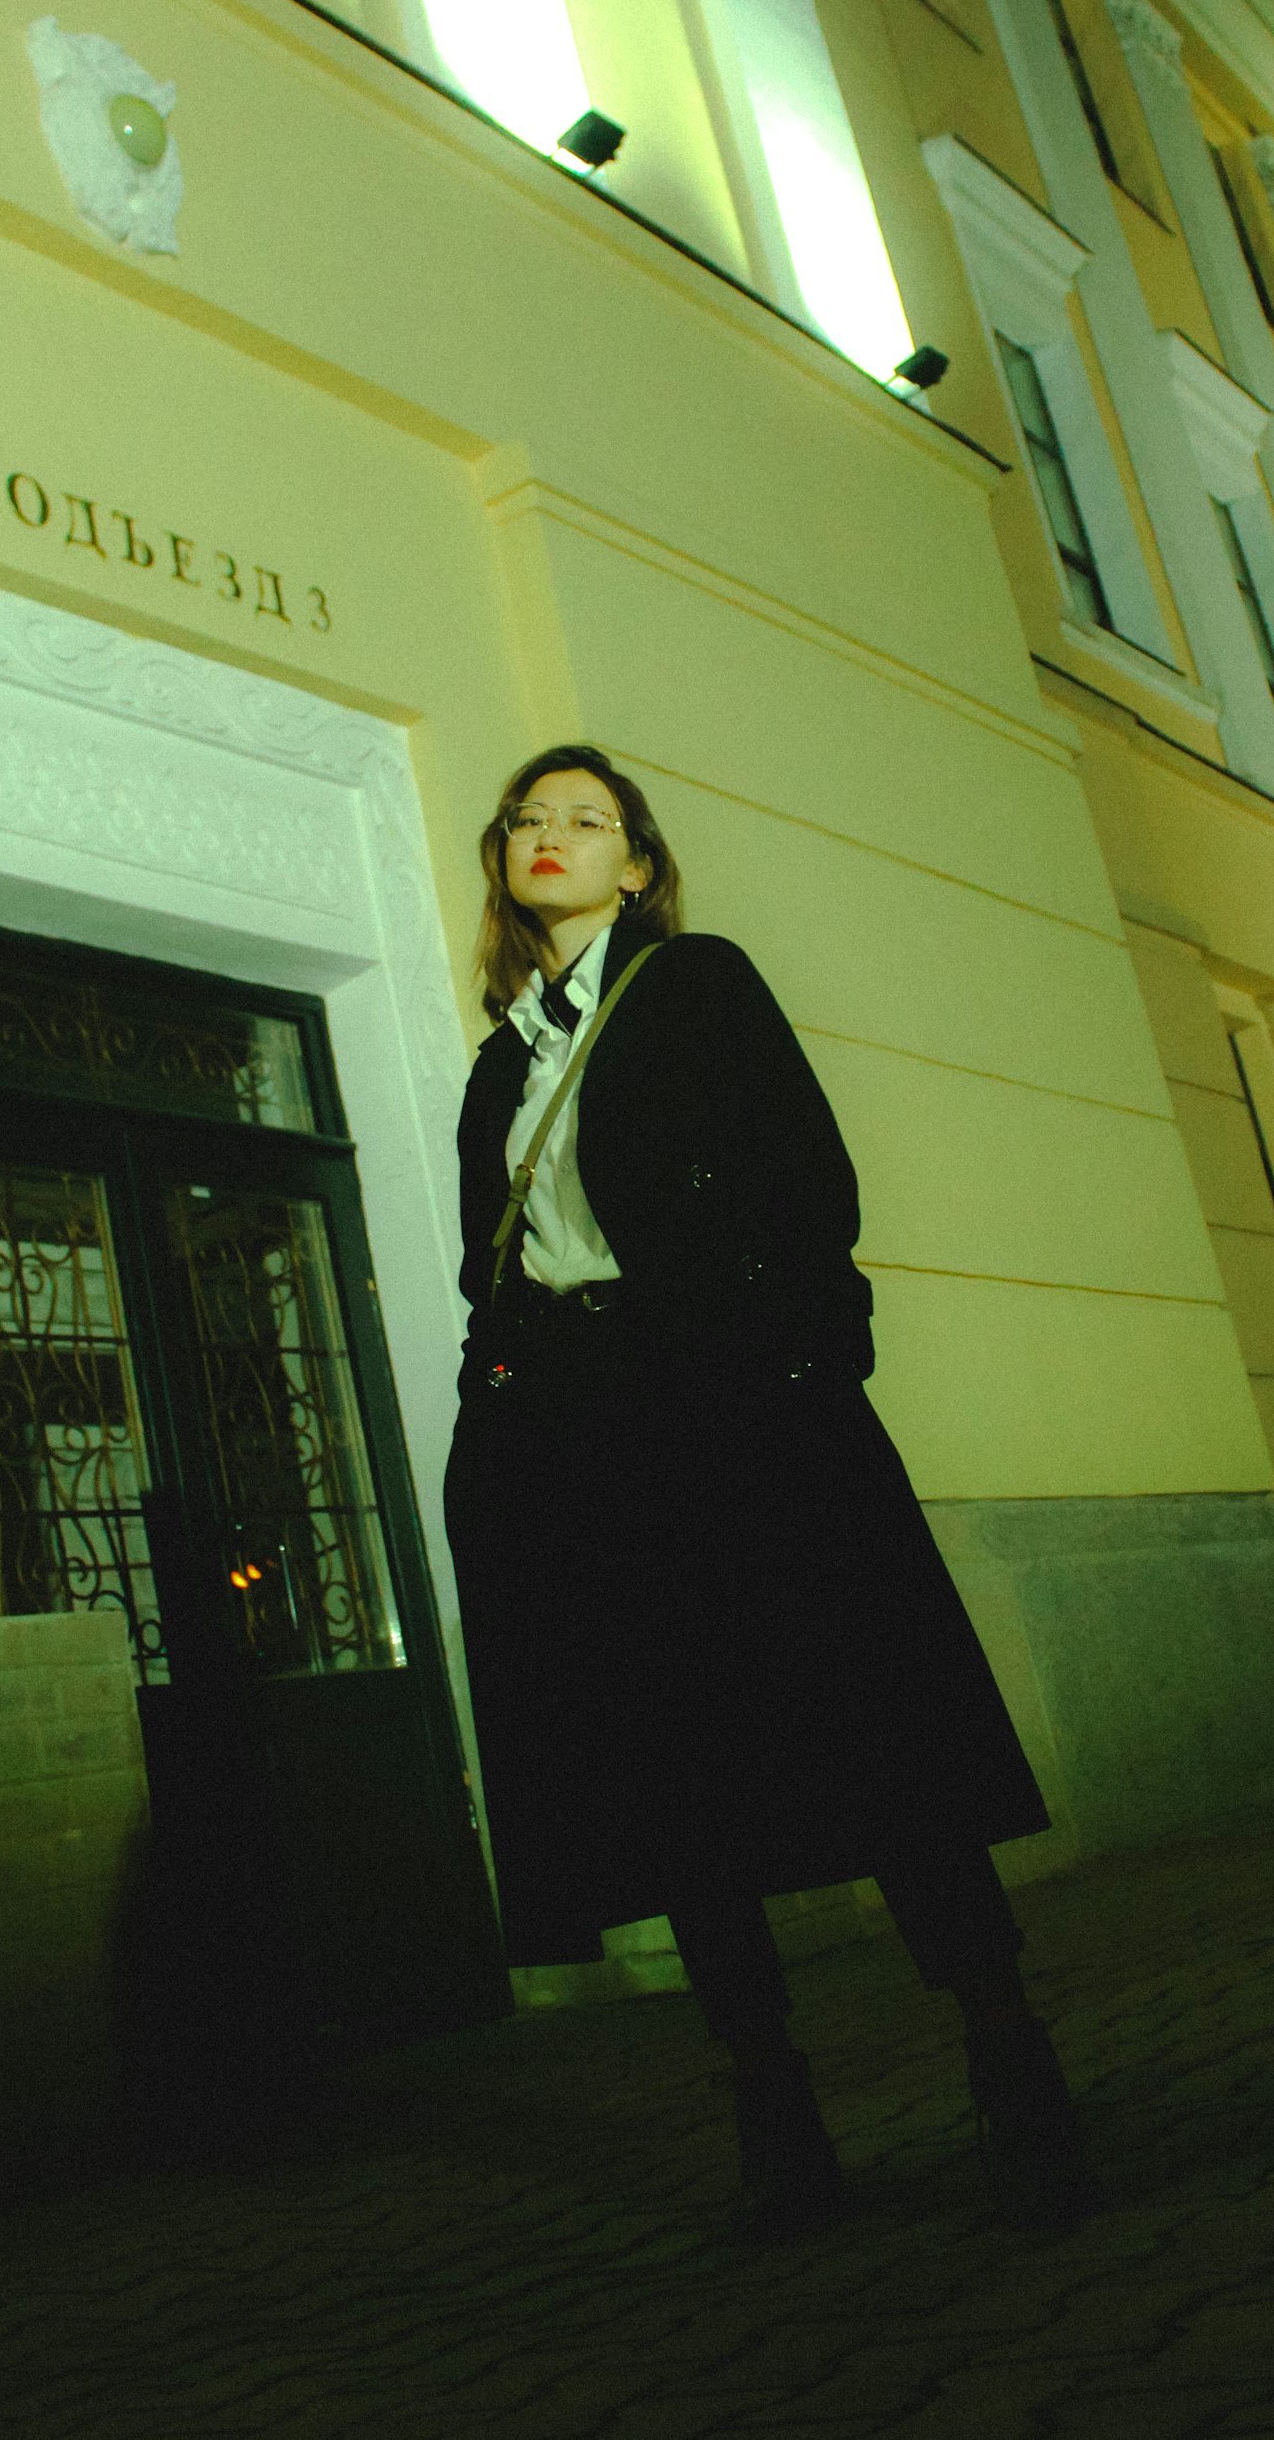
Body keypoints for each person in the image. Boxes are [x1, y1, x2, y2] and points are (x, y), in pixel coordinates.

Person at [442, 743, 1092, 2242]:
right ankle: (773, 2105)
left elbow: (811, 1179)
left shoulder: (696, 986)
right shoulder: (499, 1063)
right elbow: (496, 1262)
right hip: (586, 1440)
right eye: (528, 820)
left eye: (586, 820)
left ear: (641, 867)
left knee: (873, 1731)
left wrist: (804, 1366)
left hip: (736, 1413)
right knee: (675, 1780)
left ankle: (1006, 2044)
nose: (552, 837)